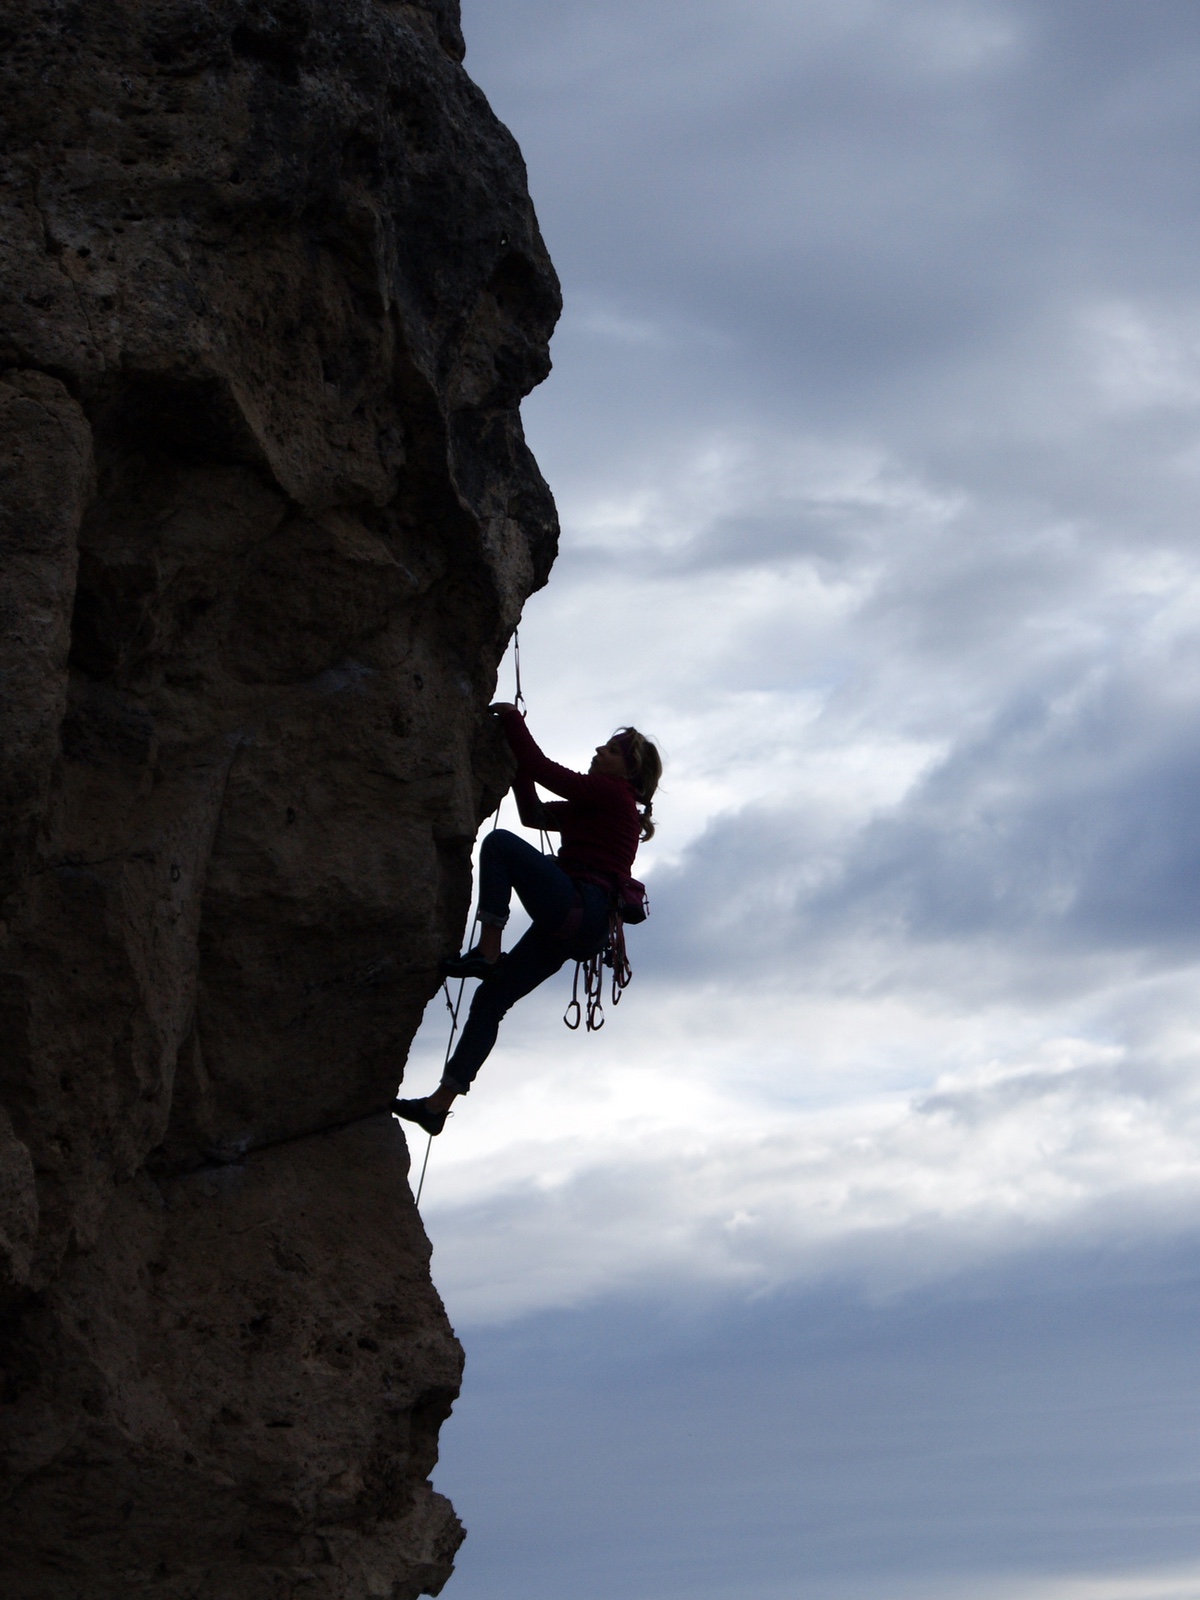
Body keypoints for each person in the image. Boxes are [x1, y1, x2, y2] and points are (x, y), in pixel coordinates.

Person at [394, 703, 662, 1135]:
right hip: (579, 926)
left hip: (580, 906)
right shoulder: (601, 803)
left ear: (627, 769)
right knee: (490, 1000)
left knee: (499, 845)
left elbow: (543, 769)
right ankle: (437, 1106)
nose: (598, 750)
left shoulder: (612, 795)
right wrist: (514, 764)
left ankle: (487, 949)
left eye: (611, 749)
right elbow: (532, 815)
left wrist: (511, 721)